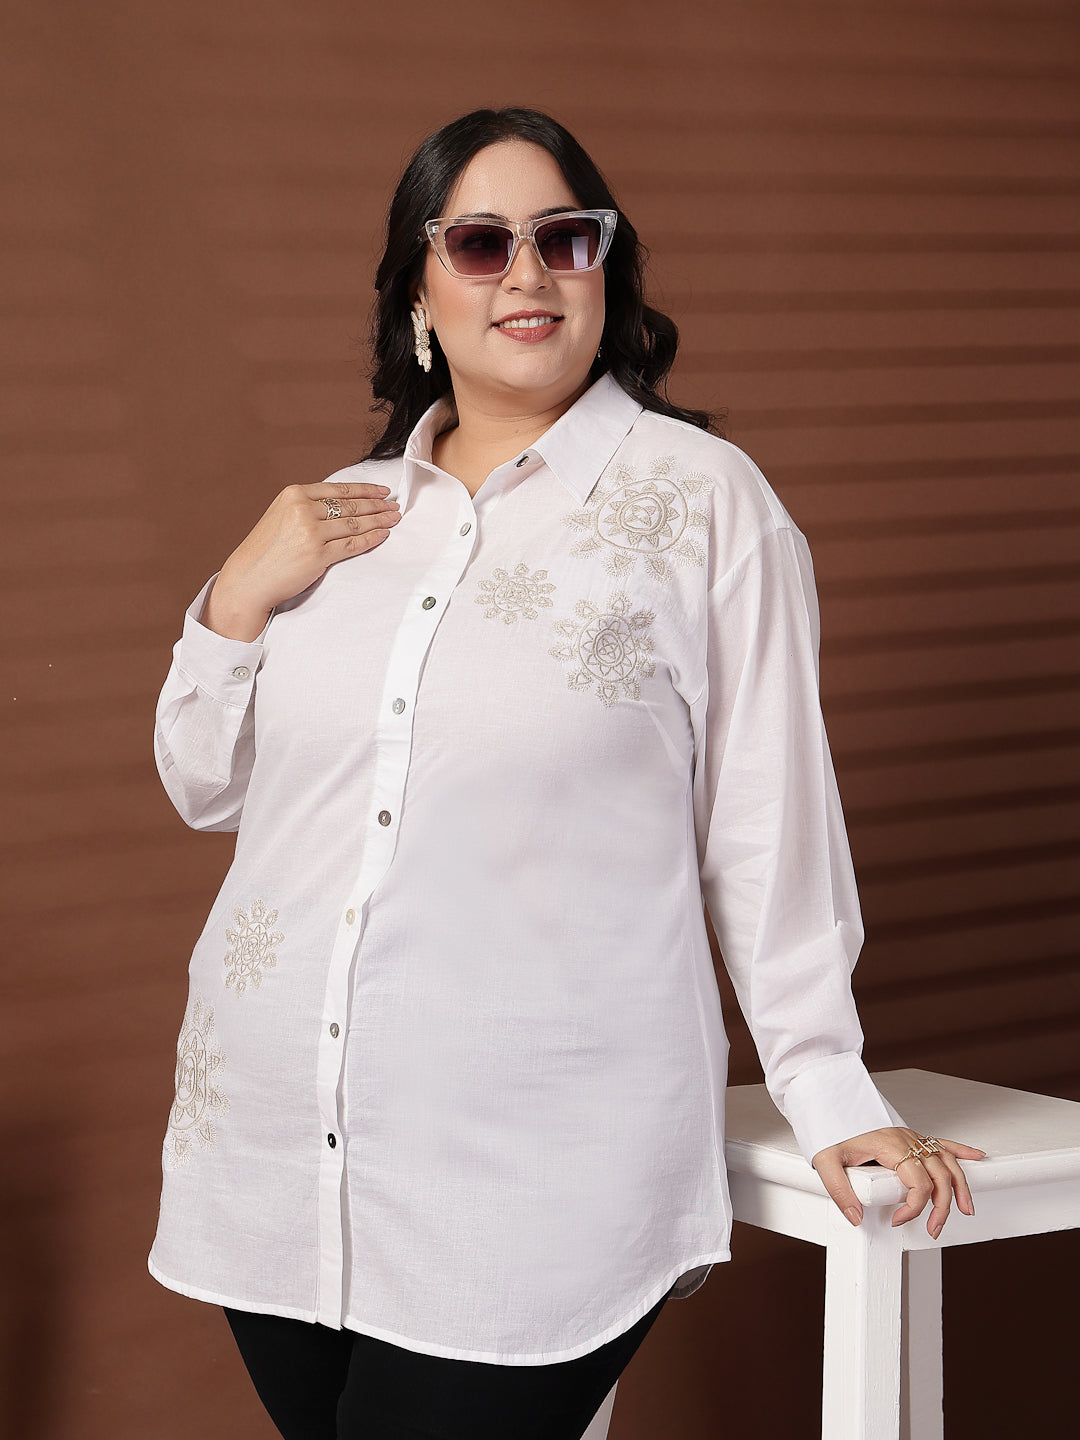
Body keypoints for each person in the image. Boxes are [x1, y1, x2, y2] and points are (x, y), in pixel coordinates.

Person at [149, 107, 984, 1440]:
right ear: (417, 292)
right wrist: (239, 594)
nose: (527, 273)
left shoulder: (704, 504)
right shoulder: (335, 521)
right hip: (277, 1149)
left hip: (535, 1165)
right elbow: (207, 786)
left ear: (608, 269)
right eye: (481, 243)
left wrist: (828, 1085)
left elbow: (766, 820)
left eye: (565, 237)